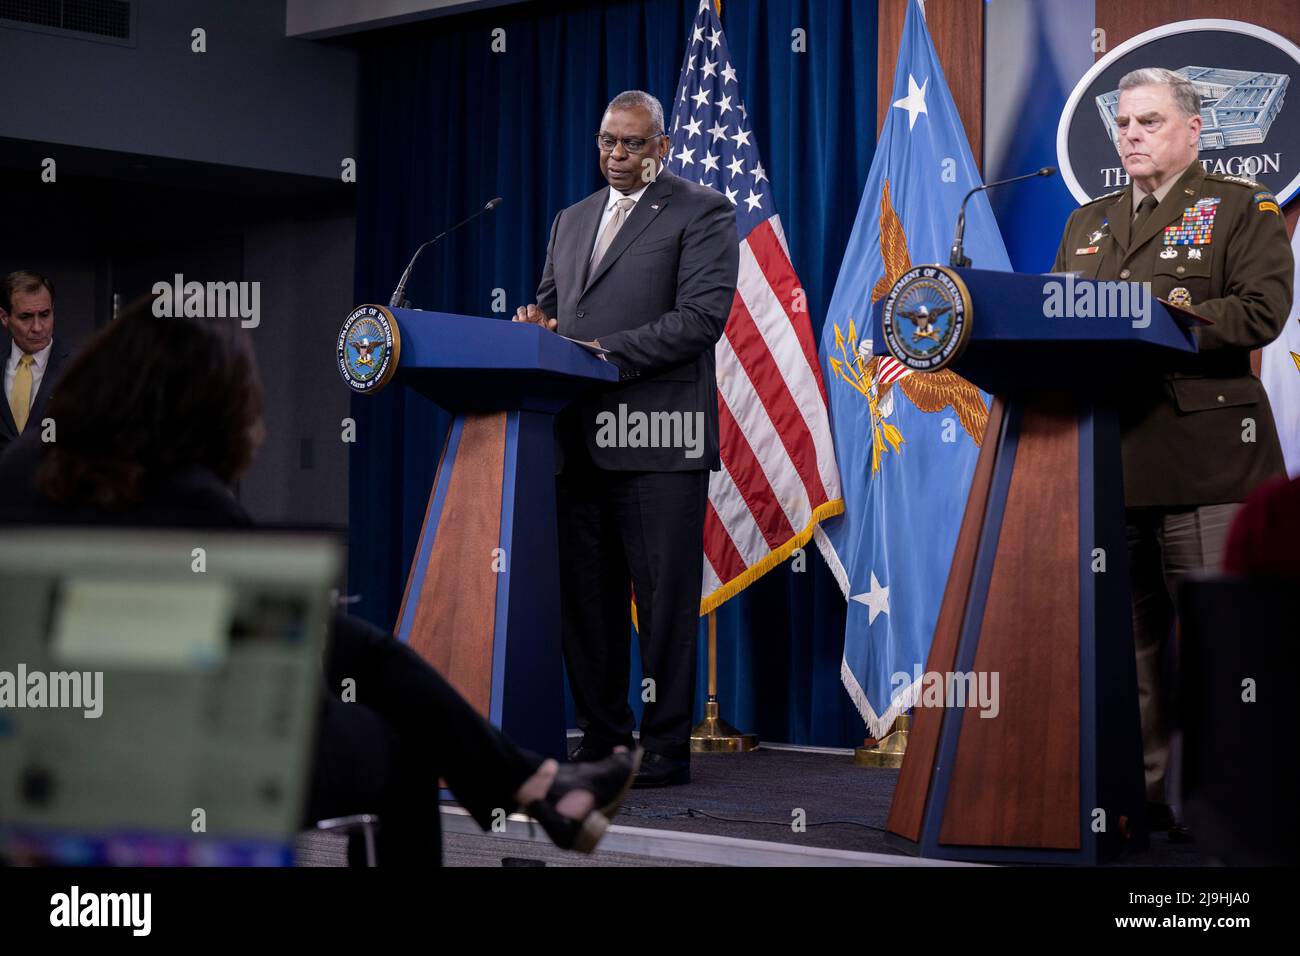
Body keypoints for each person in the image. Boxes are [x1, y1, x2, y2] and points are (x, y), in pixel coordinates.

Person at [0, 302, 641, 864]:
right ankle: (537, 789)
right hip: (172, 767)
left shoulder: (17, 471)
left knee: (338, 650)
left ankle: (538, 787)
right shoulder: (186, 497)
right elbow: (290, 656)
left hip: (26, 757)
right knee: (395, 731)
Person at [1052, 68, 1293, 834]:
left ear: (1193, 130)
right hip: (1108, 459)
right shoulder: (1087, 222)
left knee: (1230, 647)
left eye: (1148, 122)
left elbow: (1261, 312)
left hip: (1206, 461)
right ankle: (1155, 797)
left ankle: (1241, 801)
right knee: (1135, 648)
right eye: (1122, 124)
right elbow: (1059, 320)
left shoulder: (1238, 208)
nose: (1129, 136)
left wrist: (1156, 321)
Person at [513, 90, 739, 787]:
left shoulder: (703, 211)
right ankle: (606, 738)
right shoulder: (571, 220)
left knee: (664, 597)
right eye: (608, 141)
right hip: (577, 438)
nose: (617, 154)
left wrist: (597, 349)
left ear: (661, 147)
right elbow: (552, 308)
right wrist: (539, 325)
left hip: (658, 438)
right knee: (586, 600)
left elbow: (701, 320)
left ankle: (666, 746)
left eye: (633, 143)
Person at [1, 271, 71, 459]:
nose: (38, 327)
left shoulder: (80, 370)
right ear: (4, 317)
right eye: (26, 317)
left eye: (45, 315)